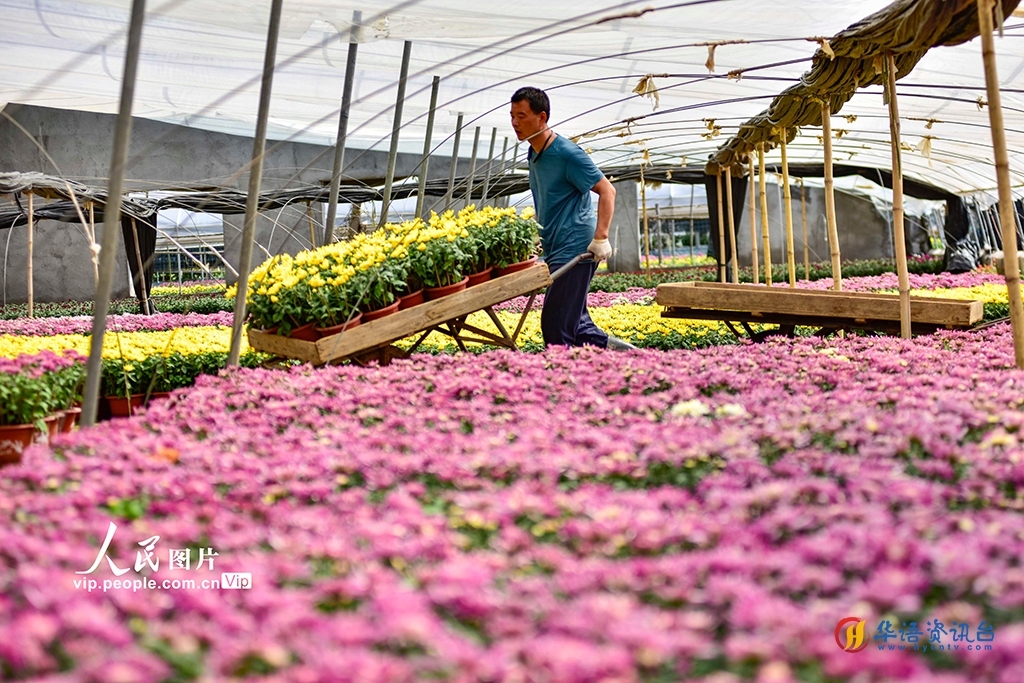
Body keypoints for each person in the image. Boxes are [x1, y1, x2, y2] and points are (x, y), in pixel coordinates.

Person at [509, 86, 636, 350]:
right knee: (575, 324)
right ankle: (629, 357)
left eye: (521, 115)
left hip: (576, 248)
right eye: (512, 116)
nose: (515, 122)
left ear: (542, 117)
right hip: (556, 248)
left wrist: (601, 238)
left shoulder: (567, 153)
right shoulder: (534, 153)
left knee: (557, 325)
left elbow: (607, 190)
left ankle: (565, 379)